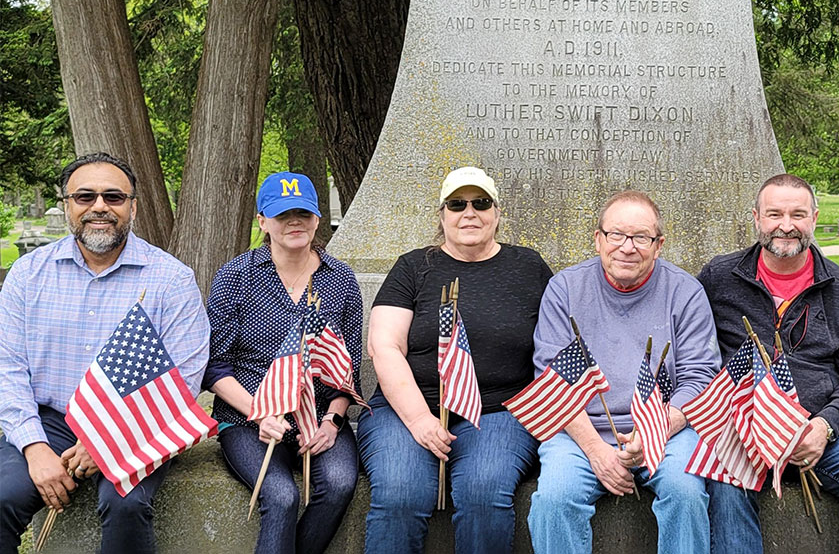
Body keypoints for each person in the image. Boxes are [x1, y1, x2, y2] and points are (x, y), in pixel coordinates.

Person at [0, 153, 210, 554]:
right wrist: (33, 447)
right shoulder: (27, 275)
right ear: (67, 205)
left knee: (126, 504)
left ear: (133, 206)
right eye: (85, 196)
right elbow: (7, 368)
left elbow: (183, 379)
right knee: (1, 496)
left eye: (113, 197)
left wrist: (107, 442)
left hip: (136, 419)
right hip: (50, 422)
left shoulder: (171, 280)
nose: (99, 206)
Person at [697, 173, 839, 554]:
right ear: (757, 218)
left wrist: (824, 426)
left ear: (813, 218)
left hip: (822, 425)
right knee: (725, 484)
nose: (786, 225)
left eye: (797, 214)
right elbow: (694, 349)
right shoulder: (719, 278)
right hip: (743, 424)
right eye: (774, 213)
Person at [358, 166, 552, 554]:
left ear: (497, 213)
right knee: (400, 494)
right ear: (442, 215)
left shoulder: (529, 268)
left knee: (483, 492)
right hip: (407, 408)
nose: (469, 213)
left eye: (481, 203)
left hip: (502, 410)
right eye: (457, 204)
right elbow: (384, 345)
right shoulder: (413, 268)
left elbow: (556, 343)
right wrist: (418, 419)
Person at [527, 190, 720, 554]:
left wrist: (653, 431)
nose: (627, 247)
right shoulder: (565, 289)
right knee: (553, 501)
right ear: (598, 239)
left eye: (641, 237)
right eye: (616, 235)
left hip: (665, 429)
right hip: (579, 431)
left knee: (686, 493)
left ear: (659, 244)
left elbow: (700, 378)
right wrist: (597, 452)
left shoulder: (686, 292)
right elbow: (552, 381)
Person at [204, 172, 361, 554]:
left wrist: (332, 421)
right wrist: (260, 413)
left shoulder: (340, 278)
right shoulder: (236, 276)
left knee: (339, 484)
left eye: (303, 214)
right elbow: (215, 366)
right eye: (283, 214)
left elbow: (349, 365)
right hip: (247, 416)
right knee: (281, 495)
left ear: (317, 219)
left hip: (319, 414)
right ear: (262, 221)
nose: (295, 222)